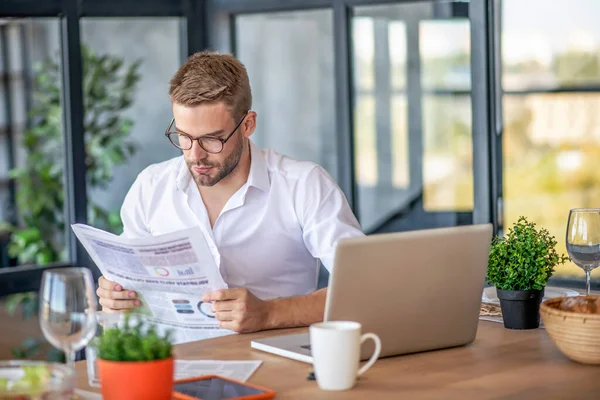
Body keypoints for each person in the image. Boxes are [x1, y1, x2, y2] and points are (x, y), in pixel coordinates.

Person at [95, 51, 363, 334]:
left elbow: (362, 290)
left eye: (211, 139)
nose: (195, 155)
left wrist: (270, 313)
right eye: (184, 137)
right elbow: (130, 283)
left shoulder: (304, 185)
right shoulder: (151, 186)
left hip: (273, 368)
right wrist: (116, 297)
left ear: (247, 125)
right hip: (172, 366)